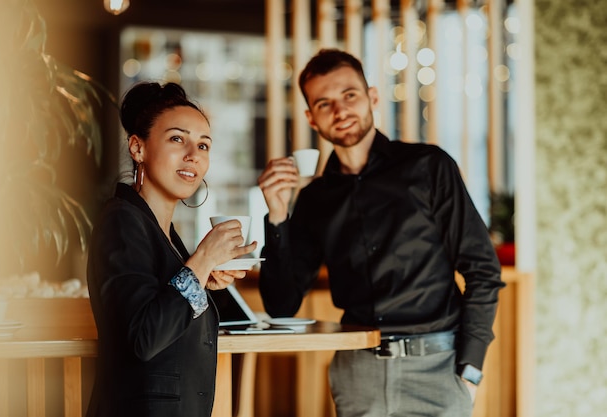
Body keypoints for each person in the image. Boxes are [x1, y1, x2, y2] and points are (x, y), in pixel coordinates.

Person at [257, 48, 505, 416]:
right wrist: (277, 216)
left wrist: (469, 370)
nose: (340, 111)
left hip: (438, 368)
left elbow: (482, 270)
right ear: (311, 118)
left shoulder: (429, 167)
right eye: (324, 104)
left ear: (372, 97)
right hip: (359, 374)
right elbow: (281, 305)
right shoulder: (314, 199)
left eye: (349, 95)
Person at [86, 81, 257, 417]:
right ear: (138, 148)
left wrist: (205, 279)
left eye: (204, 145)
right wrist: (203, 259)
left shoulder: (164, 233)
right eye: (177, 139)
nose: (193, 155)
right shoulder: (121, 221)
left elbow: (166, 306)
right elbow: (144, 337)